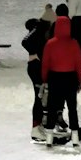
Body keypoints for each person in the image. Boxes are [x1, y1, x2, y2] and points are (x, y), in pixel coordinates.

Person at [39, 14, 81, 150]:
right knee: (72, 108)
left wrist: (45, 79)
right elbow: (78, 63)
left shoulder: (50, 44)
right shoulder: (74, 43)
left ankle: (49, 137)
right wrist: (79, 80)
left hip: (54, 78)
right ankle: (75, 136)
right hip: (70, 78)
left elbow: (45, 63)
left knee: (52, 107)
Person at [22, 10, 52, 138]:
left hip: (40, 66)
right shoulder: (38, 29)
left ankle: (40, 124)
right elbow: (25, 42)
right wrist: (37, 55)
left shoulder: (42, 32)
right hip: (36, 67)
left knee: (44, 95)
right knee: (39, 96)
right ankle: (36, 127)